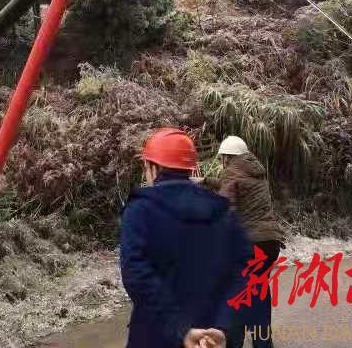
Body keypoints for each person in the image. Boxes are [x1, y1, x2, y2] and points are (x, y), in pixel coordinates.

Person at [120, 128, 252, 348]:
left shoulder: (140, 211)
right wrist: (223, 326)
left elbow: (137, 275)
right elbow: (246, 272)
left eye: (146, 167)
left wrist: (181, 329)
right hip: (212, 340)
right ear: (188, 168)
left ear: (155, 168)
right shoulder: (223, 212)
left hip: (155, 336)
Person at [217, 136, 285, 348]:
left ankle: (234, 344)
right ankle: (264, 344)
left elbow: (226, 207)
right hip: (269, 243)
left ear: (228, 157)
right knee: (259, 292)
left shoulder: (231, 171)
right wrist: (206, 183)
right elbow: (238, 188)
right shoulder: (256, 171)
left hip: (249, 244)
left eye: (222, 158)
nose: (221, 163)